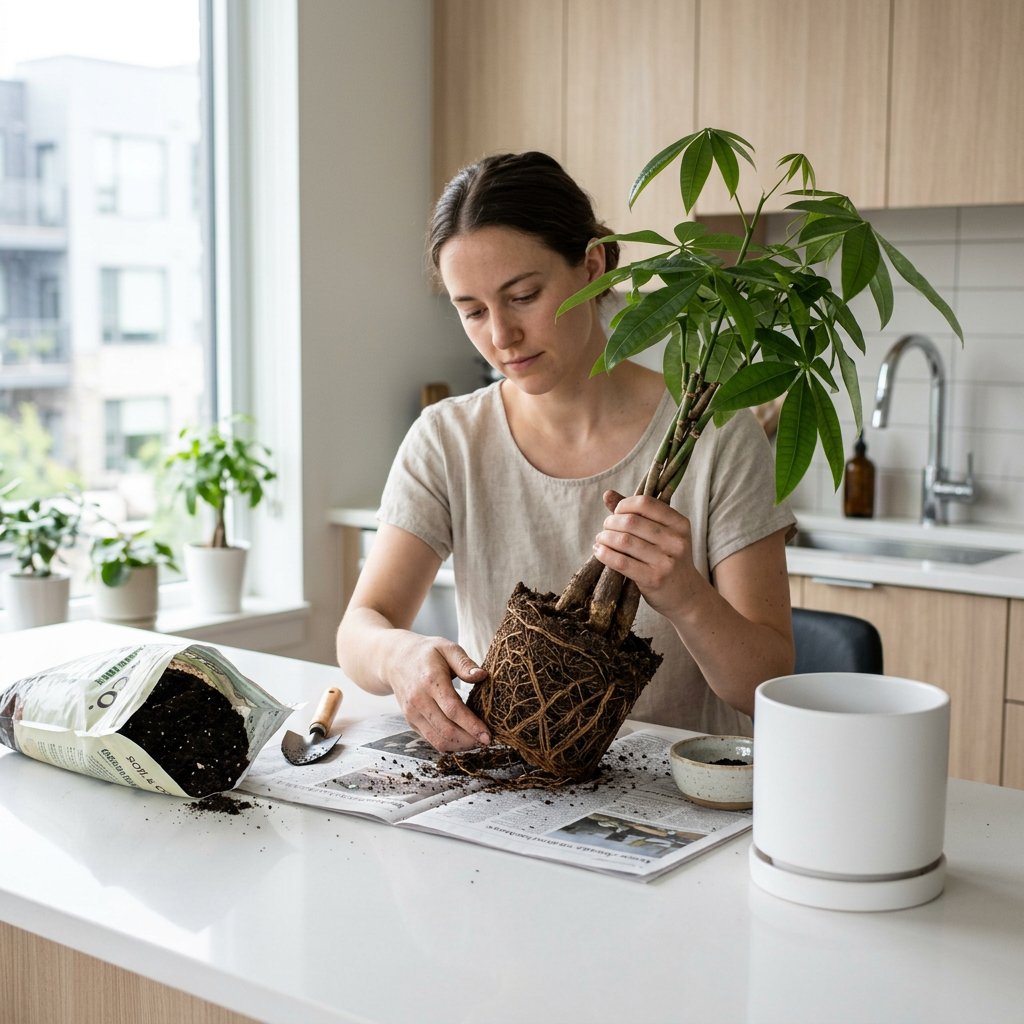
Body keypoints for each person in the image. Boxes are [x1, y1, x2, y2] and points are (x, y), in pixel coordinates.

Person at [336, 151, 796, 753]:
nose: (500, 338)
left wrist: (683, 593)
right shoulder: (448, 440)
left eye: (523, 296)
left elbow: (770, 680)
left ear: (594, 266)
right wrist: (400, 653)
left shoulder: (716, 435)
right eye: (471, 311)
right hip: (518, 788)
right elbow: (360, 629)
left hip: (683, 800)